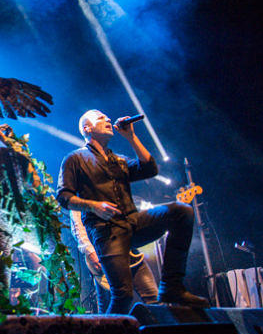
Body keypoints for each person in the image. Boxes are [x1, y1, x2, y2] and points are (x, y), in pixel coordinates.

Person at [56, 110, 206, 314]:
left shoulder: (118, 160)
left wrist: (131, 137)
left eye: (107, 117)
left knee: (181, 212)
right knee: (123, 296)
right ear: (87, 128)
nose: (108, 119)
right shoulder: (75, 159)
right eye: (100, 118)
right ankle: (108, 332)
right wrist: (93, 206)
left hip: (133, 223)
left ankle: (172, 286)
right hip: (107, 232)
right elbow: (64, 196)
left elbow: (150, 169)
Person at [68, 209, 158, 312]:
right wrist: (91, 252)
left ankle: (163, 320)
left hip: (128, 252)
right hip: (105, 256)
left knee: (153, 298)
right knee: (112, 304)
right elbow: (77, 224)